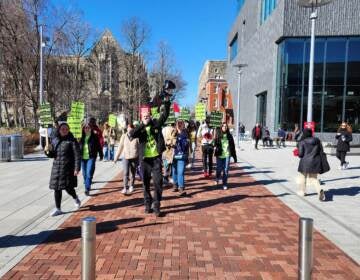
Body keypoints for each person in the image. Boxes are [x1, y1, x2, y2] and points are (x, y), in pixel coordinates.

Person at [130, 97, 171, 217]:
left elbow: (165, 116)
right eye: (143, 114)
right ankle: (147, 204)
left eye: (147, 113)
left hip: (156, 158)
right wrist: (143, 124)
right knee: (146, 184)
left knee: (158, 182)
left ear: (150, 113)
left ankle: (157, 205)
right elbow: (132, 135)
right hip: (144, 160)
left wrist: (167, 102)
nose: (146, 115)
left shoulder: (156, 124)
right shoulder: (139, 126)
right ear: (141, 115)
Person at [44, 123, 81, 216]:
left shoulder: (72, 141)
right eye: (62, 129)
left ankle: (75, 198)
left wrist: (77, 168)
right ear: (59, 130)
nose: (64, 130)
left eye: (66, 129)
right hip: (56, 168)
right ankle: (58, 208)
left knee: (69, 188)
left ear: (68, 130)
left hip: (68, 169)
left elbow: (77, 155)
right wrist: (47, 151)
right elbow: (52, 155)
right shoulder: (55, 140)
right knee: (57, 189)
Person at [297, 128, 326, 201]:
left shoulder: (302, 142)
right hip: (316, 162)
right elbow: (321, 151)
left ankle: (302, 192)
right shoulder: (317, 141)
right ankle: (319, 191)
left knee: (303, 177)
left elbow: (300, 154)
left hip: (305, 162)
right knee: (314, 179)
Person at [114, 124, 139, 194]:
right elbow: (120, 147)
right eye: (129, 128)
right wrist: (116, 157)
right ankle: (125, 187)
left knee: (133, 172)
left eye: (131, 128)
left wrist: (141, 157)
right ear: (127, 129)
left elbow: (140, 148)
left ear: (133, 129)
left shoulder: (137, 137)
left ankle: (131, 185)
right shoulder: (124, 136)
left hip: (134, 157)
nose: (130, 129)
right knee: (125, 172)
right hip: (125, 157)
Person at [80, 122, 103, 196]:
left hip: (91, 157)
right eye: (85, 128)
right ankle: (88, 183)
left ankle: (87, 188)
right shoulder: (80, 137)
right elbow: (76, 147)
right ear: (83, 129)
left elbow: (99, 146)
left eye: (88, 128)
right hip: (82, 158)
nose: (87, 129)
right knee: (84, 174)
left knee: (89, 173)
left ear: (91, 129)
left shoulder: (94, 136)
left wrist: (101, 154)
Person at [214, 123, 237, 190]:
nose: (225, 127)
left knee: (226, 170)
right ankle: (217, 178)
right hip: (219, 154)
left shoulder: (229, 136)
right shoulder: (218, 134)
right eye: (223, 126)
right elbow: (215, 144)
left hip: (227, 154)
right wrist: (214, 141)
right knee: (219, 168)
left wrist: (235, 157)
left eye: (226, 126)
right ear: (221, 127)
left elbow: (233, 146)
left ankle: (224, 183)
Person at [172, 119, 189, 195]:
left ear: (183, 125)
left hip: (182, 155)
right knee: (174, 171)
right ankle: (175, 185)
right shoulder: (173, 133)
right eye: (178, 124)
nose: (179, 125)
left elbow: (186, 145)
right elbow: (168, 141)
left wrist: (184, 142)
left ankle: (181, 188)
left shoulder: (185, 134)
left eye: (180, 124)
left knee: (180, 172)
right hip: (173, 155)